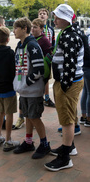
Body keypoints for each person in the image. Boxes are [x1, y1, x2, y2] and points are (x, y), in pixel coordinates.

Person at [44, 4, 84, 171]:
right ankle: (69, 146)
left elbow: (70, 63)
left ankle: (65, 157)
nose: (55, 19)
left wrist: (64, 86)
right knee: (67, 116)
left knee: (67, 120)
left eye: (58, 17)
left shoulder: (69, 36)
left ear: (66, 19)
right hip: (69, 81)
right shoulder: (69, 33)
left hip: (68, 83)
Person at [12, 17, 51, 159]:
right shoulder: (20, 45)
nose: (13, 31)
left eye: (16, 28)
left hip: (33, 90)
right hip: (24, 90)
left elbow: (39, 69)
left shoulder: (32, 45)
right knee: (28, 115)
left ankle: (45, 144)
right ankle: (29, 142)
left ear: (24, 29)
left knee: (34, 117)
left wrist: (26, 82)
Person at [0, 26, 20, 151]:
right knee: (9, 113)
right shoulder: (10, 53)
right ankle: (8, 140)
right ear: (7, 39)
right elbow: (14, 70)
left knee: (0, 112)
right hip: (9, 88)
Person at [38, 8, 56, 108]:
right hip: (37, 56)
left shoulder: (51, 30)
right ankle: (38, 97)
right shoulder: (35, 28)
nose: (42, 15)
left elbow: (53, 44)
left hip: (47, 58)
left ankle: (47, 97)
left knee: (46, 78)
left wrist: (51, 55)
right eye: (40, 13)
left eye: (44, 13)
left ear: (47, 16)